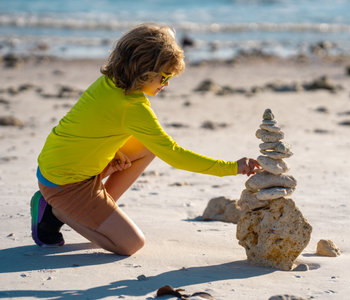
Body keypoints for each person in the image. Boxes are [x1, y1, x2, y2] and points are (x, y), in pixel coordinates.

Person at [31, 23, 260, 255]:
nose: (167, 84)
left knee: (147, 148)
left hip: (58, 163)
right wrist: (233, 167)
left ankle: (92, 209)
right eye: (164, 77)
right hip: (64, 184)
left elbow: (92, 127)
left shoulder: (110, 82)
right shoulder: (134, 108)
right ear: (144, 72)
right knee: (131, 245)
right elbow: (175, 156)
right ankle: (55, 212)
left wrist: (116, 151)